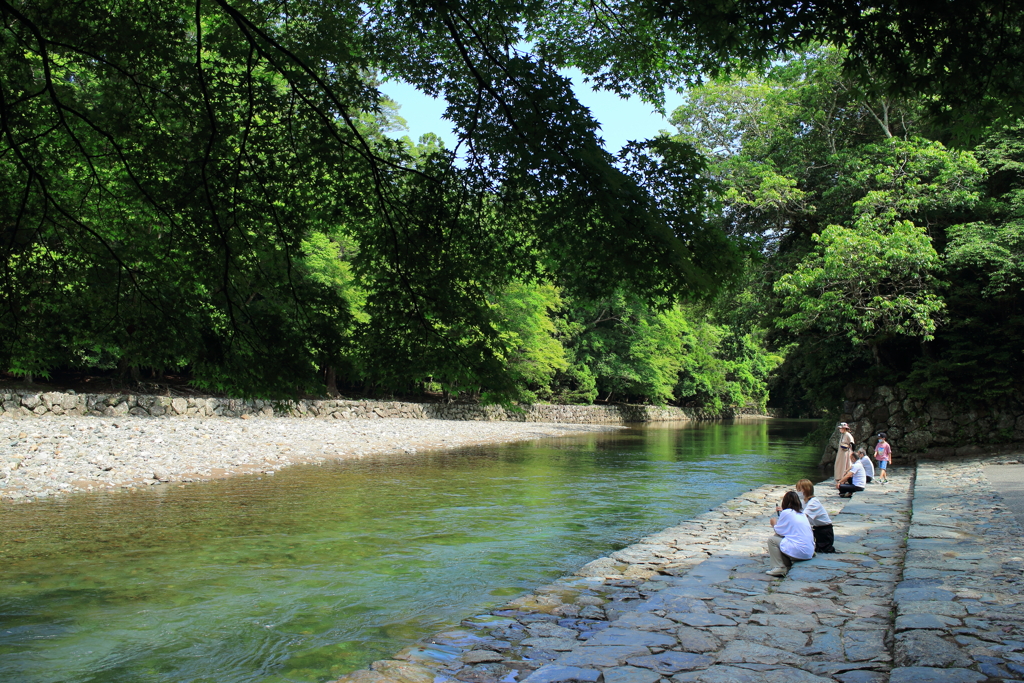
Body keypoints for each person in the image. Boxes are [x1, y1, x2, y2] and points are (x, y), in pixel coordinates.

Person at [766, 490, 815, 576]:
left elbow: (779, 531)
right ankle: (785, 563)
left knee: (772, 540)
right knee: (781, 539)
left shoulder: (786, 512)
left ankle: (779, 567)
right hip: (809, 552)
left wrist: (774, 524)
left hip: (800, 552)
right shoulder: (802, 514)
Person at [796, 479, 835, 553]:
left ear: (805, 490)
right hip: (816, 529)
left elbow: (803, 516)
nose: (798, 492)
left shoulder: (813, 502)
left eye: (799, 489)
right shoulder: (804, 501)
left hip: (825, 531)